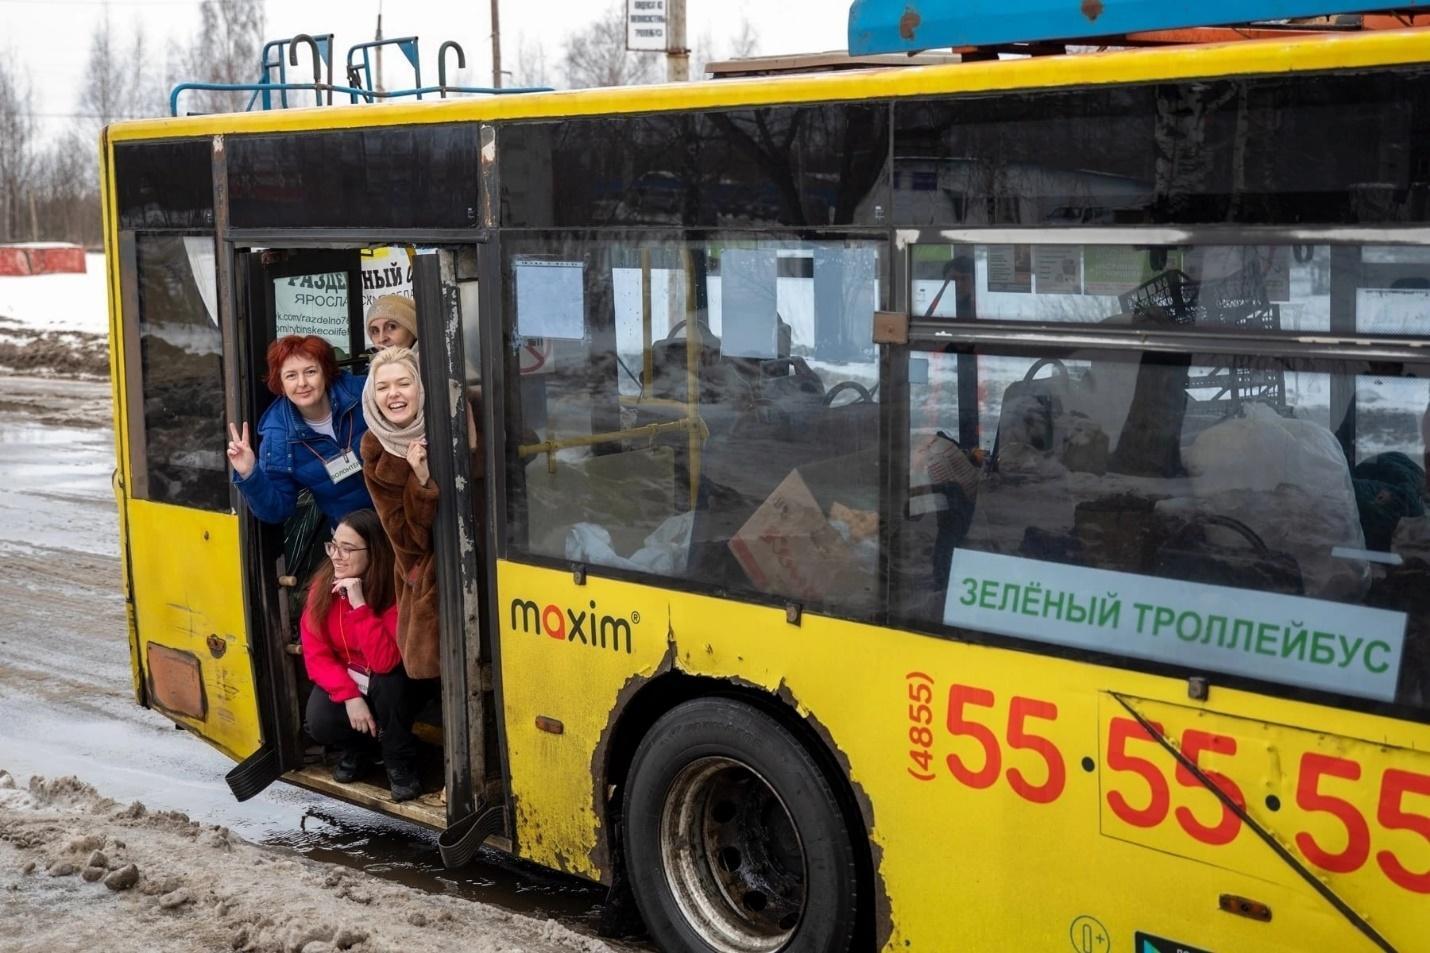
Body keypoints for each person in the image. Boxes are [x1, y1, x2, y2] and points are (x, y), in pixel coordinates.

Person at [300, 508, 422, 802]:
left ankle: (398, 761)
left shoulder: (394, 589)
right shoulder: (322, 586)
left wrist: (358, 604)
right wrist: (350, 696)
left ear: (374, 552)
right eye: (333, 545)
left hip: (395, 681)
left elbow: (385, 661)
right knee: (319, 721)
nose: (336, 556)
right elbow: (316, 653)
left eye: (348, 549)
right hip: (354, 678)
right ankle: (362, 750)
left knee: (389, 683)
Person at [226, 335, 373, 528]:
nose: (302, 383)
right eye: (291, 376)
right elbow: (277, 511)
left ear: (325, 373)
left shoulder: (363, 392)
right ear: (281, 384)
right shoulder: (277, 437)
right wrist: (250, 474)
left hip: (402, 508)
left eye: (310, 371)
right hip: (358, 532)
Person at [360, 346, 441, 681]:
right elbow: (409, 543)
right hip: (439, 579)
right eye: (382, 387)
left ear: (421, 386)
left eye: (403, 383)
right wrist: (421, 481)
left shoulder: (458, 415)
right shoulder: (376, 452)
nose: (393, 394)